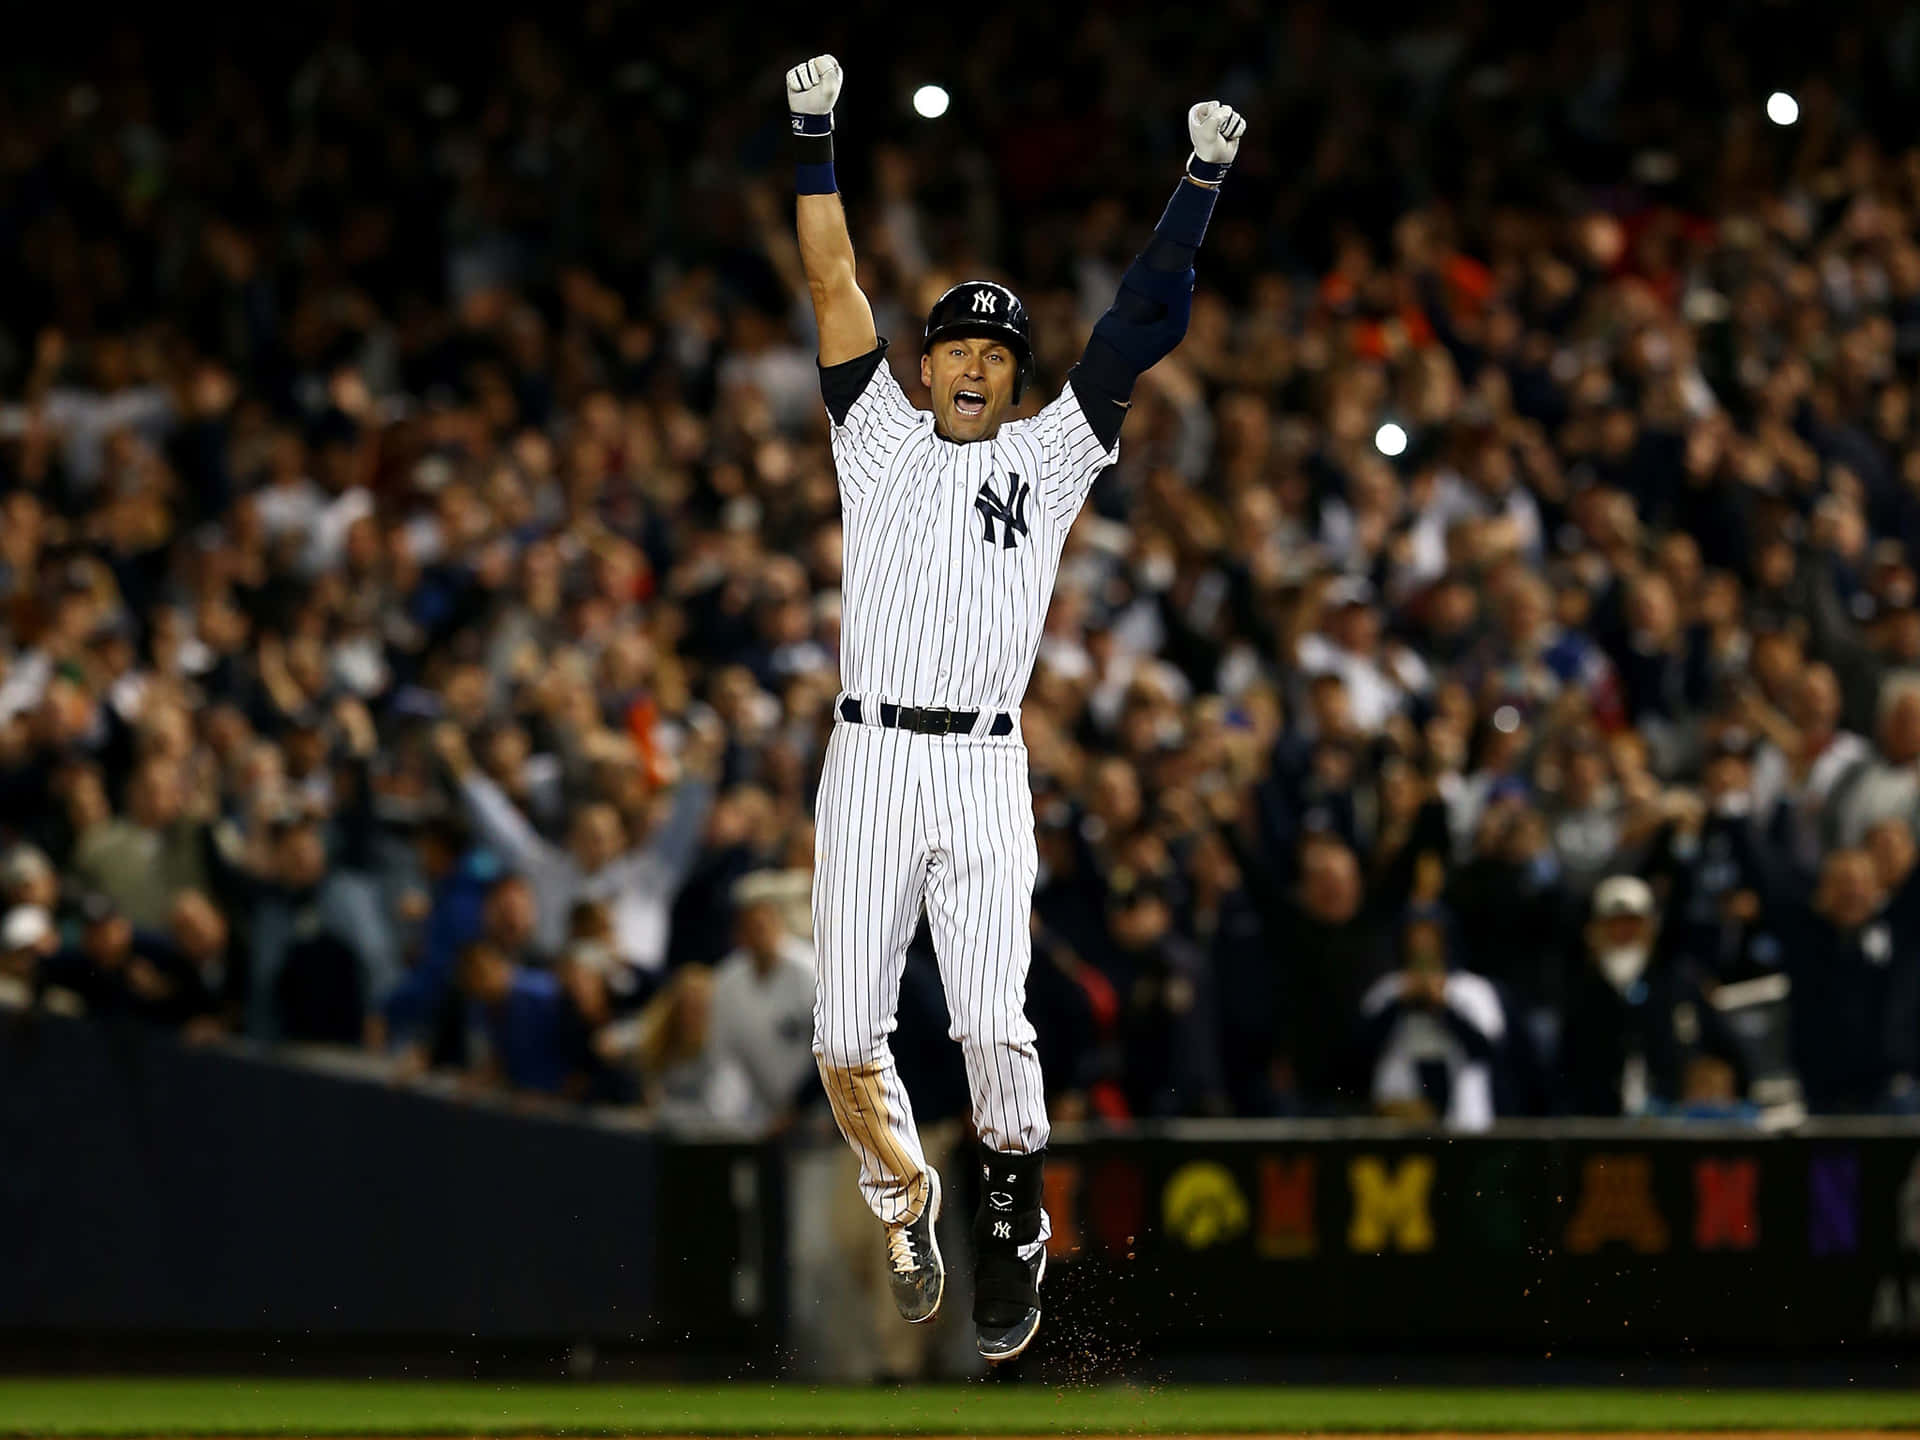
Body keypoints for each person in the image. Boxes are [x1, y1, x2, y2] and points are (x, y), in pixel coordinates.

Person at [784, 51, 1245, 1360]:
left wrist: (1197, 186)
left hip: (982, 767)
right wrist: (815, 133)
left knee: (995, 1022)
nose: (975, 362)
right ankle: (906, 1196)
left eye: (996, 348)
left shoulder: (1051, 456)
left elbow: (1139, 327)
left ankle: (1012, 1216)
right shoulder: (869, 430)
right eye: (956, 345)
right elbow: (831, 279)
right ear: (923, 367)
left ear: (1013, 374)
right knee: (840, 1041)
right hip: (868, 753)